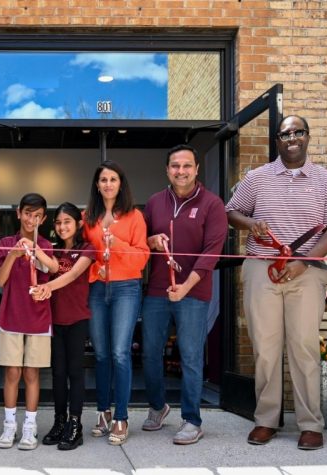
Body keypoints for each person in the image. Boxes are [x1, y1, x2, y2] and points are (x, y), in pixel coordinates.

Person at [225, 115, 327, 450]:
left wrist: (303, 262)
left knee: (304, 347)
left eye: (298, 132)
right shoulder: (257, 177)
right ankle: (266, 419)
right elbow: (231, 211)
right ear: (277, 140)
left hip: (307, 272)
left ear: (307, 137)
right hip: (261, 268)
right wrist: (251, 223)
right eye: (285, 134)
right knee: (265, 348)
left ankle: (310, 423)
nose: (292, 138)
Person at [141, 144, 228, 445]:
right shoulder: (154, 202)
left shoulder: (212, 204)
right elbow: (141, 243)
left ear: (196, 169)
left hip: (193, 292)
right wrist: (151, 240)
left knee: (190, 356)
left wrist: (186, 287)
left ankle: (192, 419)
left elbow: (210, 255)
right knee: (150, 352)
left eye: (187, 165)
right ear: (167, 170)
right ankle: (157, 406)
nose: (181, 171)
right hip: (156, 290)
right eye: (175, 166)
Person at [83, 160, 149, 446]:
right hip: (97, 288)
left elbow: (143, 257)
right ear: (97, 185)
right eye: (103, 180)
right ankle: (103, 411)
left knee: (121, 353)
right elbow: (84, 254)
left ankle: (121, 416)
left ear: (120, 184)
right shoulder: (88, 217)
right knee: (101, 354)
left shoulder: (134, 216)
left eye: (113, 179)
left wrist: (116, 245)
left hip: (126, 288)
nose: (108, 184)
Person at [0, 192, 58, 450]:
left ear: (43, 218)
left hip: (39, 318)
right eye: (28, 213)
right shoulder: (6, 241)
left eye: (38, 215)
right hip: (10, 317)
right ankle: (9, 426)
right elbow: (0, 279)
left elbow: (52, 268)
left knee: (32, 373)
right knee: (12, 372)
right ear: (18, 213)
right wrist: (14, 254)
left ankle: (29, 428)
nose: (32, 219)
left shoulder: (46, 244)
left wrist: (36, 250)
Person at [31, 202, 94, 451]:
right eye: (58, 222)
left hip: (78, 319)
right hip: (54, 320)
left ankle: (75, 425)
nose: (62, 226)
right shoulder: (53, 250)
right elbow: (38, 271)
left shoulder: (87, 249)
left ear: (78, 224)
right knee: (57, 373)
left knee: (75, 372)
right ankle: (59, 422)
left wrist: (48, 287)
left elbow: (71, 275)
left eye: (67, 221)